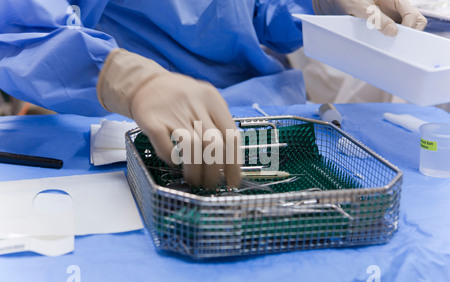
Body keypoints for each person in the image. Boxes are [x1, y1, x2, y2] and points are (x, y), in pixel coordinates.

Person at [0, 0, 426, 188]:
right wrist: (126, 78)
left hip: (265, 107)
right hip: (121, 124)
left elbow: (253, 12)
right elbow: (20, 27)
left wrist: (320, 4)